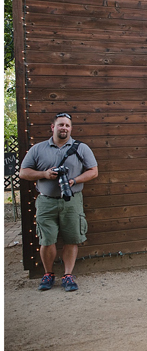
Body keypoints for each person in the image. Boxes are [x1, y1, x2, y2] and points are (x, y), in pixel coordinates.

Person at [19, 112, 98, 292]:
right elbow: (23, 172)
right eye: (61, 124)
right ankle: (48, 274)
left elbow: (93, 171)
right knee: (46, 240)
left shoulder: (82, 148)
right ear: (52, 127)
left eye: (67, 125)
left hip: (72, 201)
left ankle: (68, 275)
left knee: (72, 239)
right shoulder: (38, 149)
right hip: (46, 202)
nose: (64, 128)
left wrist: (75, 180)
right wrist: (44, 174)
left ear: (71, 129)